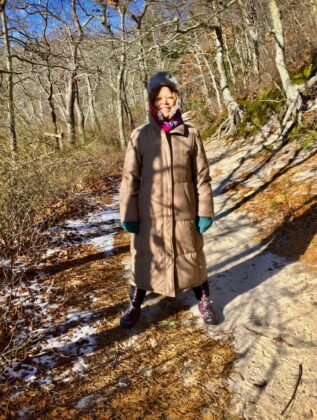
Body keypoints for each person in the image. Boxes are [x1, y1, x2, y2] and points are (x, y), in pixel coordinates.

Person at [119, 71, 217, 328]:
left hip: (185, 211)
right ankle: (135, 304)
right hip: (149, 215)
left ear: (176, 99)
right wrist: (129, 215)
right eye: (159, 97)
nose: (165, 102)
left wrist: (205, 211)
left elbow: (202, 176)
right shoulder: (140, 135)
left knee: (192, 256)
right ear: (152, 101)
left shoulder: (191, 134)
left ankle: (205, 300)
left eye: (169, 96)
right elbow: (130, 178)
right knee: (143, 259)